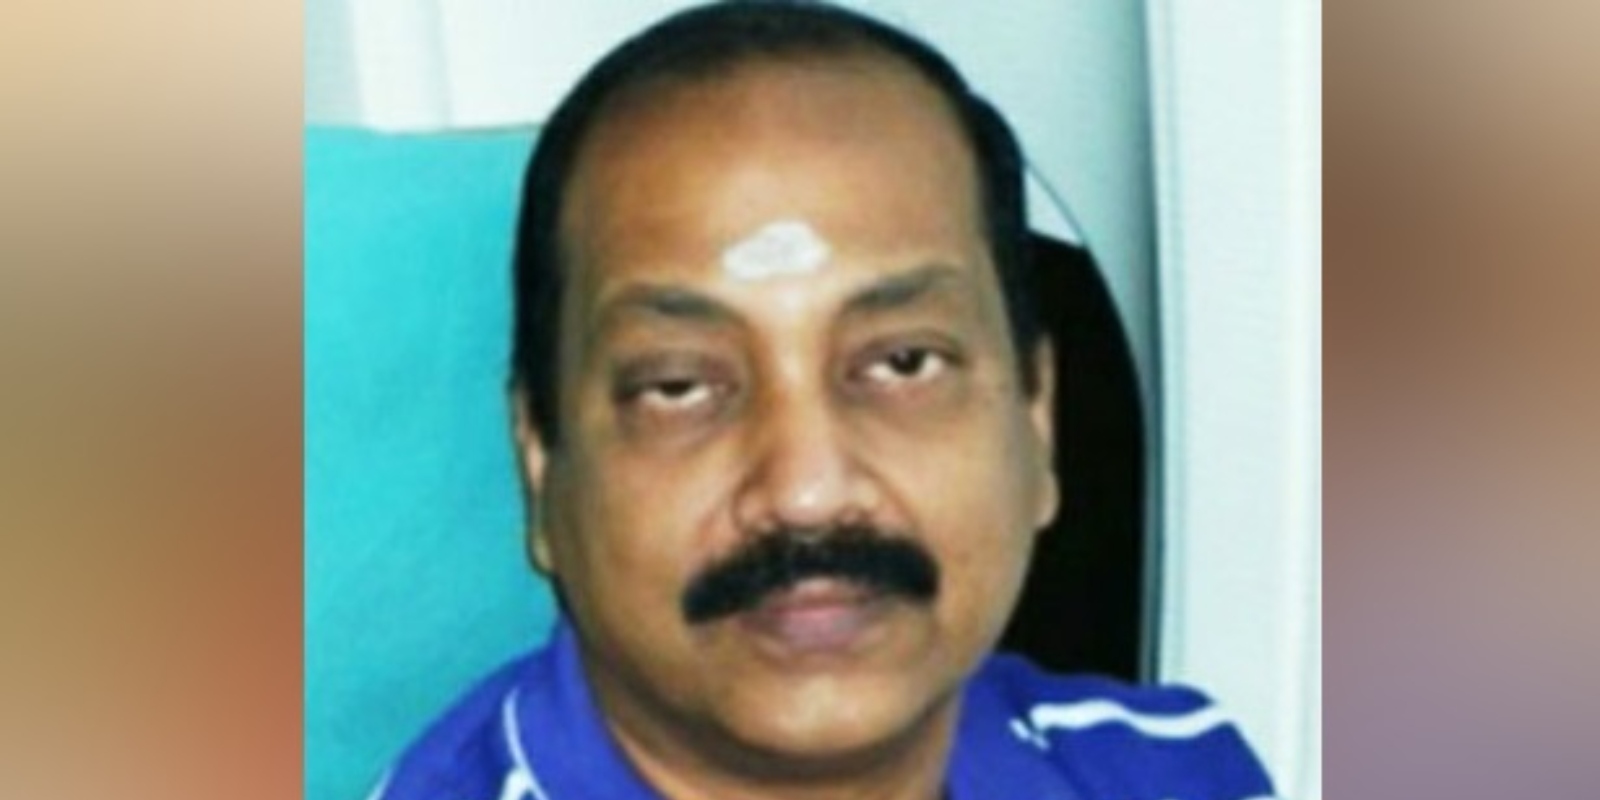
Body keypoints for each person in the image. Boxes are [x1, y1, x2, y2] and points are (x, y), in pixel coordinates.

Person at [372, 2, 1275, 798]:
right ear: (540, 463)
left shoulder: (1174, 773)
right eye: (680, 386)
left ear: (1036, 421)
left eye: (904, 364)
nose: (807, 491)